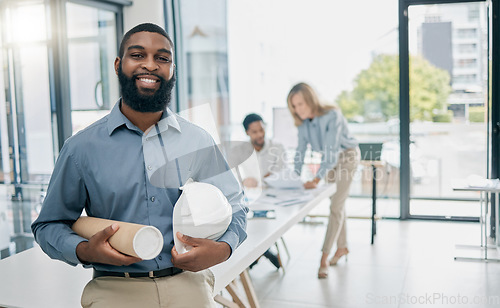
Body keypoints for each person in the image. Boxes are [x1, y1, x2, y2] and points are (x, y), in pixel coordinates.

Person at [31, 23, 247, 308]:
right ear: (119, 65)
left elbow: (236, 207)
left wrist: (222, 250)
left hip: (188, 286)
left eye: (162, 58)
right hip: (114, 289)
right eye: (138, 55)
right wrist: (85, 250)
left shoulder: (198, 140)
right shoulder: (80, 148)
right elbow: (48, 225)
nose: (150, 65)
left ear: (172, 70)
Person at [287, 82, 359, 279]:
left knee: (336, 206)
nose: (297, 110)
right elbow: (300, 152)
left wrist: (317, 178)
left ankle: (324, 258)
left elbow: (331, 150)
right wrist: (293, 178)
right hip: (330, 162)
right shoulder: (303, 124)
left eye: (300, 104)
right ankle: (342, 247)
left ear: (311, 100)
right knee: (337, 205)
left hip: (347, 157)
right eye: (294, 106)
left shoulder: (332, 115)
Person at [229, 113, 285, 269]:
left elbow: (281, 173)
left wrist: (258, 180)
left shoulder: (277, 148)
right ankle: (264, 251)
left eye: (261, 129)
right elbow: (232, 176)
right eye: (255, 132)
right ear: (247, 133)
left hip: (273, 198)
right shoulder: (238, 151)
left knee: (259, 217)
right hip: (248, 199)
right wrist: (244, 180)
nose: (260, 134)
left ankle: (256, 253)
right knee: (241, 217)